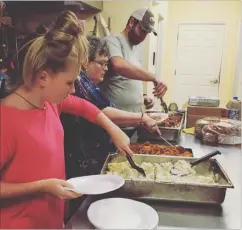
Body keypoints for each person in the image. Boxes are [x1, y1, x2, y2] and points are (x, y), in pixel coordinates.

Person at [0, 11, 133, 229]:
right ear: (43, 77)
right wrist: (42, 186)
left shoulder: (48, 102)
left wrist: (113, 129)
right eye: (69, 82)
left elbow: (84, 107)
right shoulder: (6, 120)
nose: (73, 90)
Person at [61, 35, 158, 180]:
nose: (106, 69)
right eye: (102, 63)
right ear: (86, 62)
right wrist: (142, 118)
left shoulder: (90, 83)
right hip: (83, 160)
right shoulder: (81, 81)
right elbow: (104, 112)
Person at [100, 7, 167, 114]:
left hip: (135, 120)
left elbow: (132, 75)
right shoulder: (113, 41)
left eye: (147, 33)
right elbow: (119, 66)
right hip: (115, 122)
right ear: (132, 22)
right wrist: (153, 77)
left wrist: (142, 96)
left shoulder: (137, 48)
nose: (143, 37)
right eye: (143, 31)